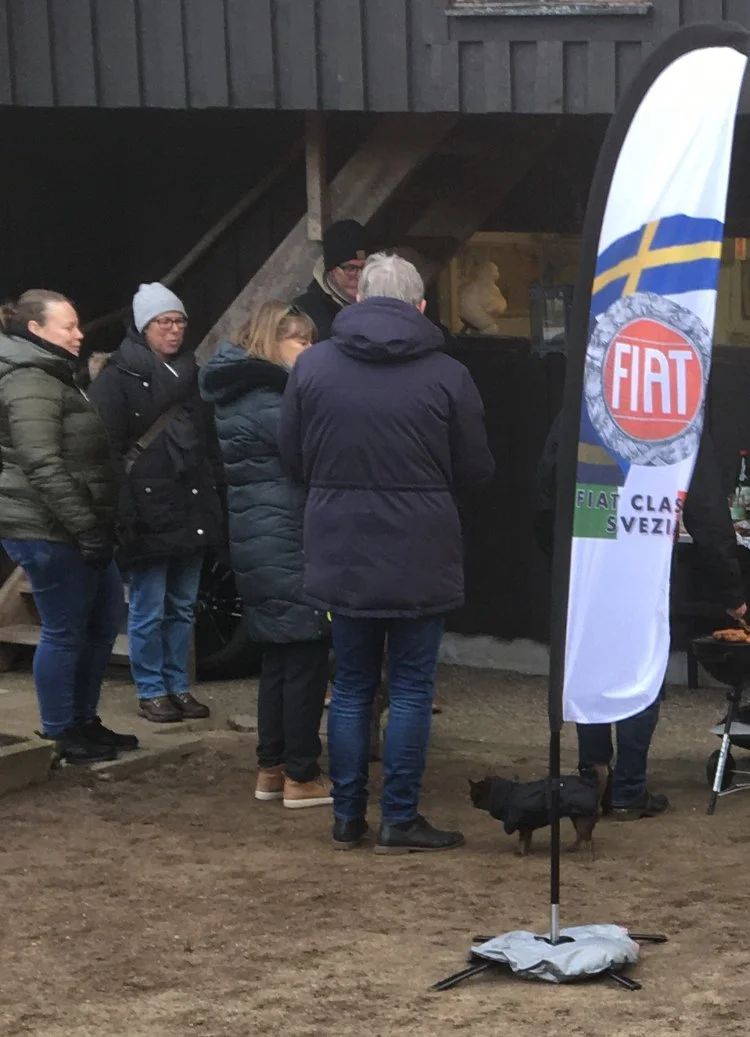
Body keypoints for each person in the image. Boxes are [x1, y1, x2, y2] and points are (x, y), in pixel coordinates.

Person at [279, 253, 495, 853]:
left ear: (356, 298)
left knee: (350, 686)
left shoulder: (313, 366)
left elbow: (291, 456)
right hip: (420, 548)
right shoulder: (448, 375)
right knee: (410, 689)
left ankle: (347, 815)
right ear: (421, 306)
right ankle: (399, 817)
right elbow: (477, 468)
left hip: (340, 544)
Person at [534, 412, 747, 819]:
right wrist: (731, 593)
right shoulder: (680, 413)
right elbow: (707, 513)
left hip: (588, 557)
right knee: (639, 670)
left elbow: (547, 491)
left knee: (594, 666)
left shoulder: (583, 403)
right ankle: (628, 790)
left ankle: (592, 779)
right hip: (646, 561)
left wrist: (563, 558)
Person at [199, 301, 332, 809]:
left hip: (260, 540)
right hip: (288, 539)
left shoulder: (238, 392)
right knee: (306, 658)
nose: (310, 350)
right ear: (272, 342)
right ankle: (301, 773)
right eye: (301, 340)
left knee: (278, 661)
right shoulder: (271, 397)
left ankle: (271, 768)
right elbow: (311, 456)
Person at [0, 291, 136, 763]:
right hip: (47, 527)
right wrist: (85, 527)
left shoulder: (53, 373)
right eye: (69, 326)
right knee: (64, 630)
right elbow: (41, 462)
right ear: (35, 329)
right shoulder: (27, 379)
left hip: (74, 523)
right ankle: (60, 731)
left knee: (101, 621)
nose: (80, 334)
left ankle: (83, 719)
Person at [89, 283, 222, 723]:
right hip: (144, 509)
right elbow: (107, 452)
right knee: (148, 607)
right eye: (164, 321)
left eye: (179, 321)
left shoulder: (191, 374)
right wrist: (121, 511)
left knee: (183, 605)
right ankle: (151, 689)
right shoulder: (115, 380)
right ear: (143, 326)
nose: (174, 330)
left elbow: (207, 443)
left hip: (190, 500)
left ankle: (177, 684)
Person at [293, 219, 370, 341]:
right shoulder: (306, 313)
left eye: (365, 267)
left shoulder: (381, 301)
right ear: (332, 271)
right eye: (351, 268)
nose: (361, 275)